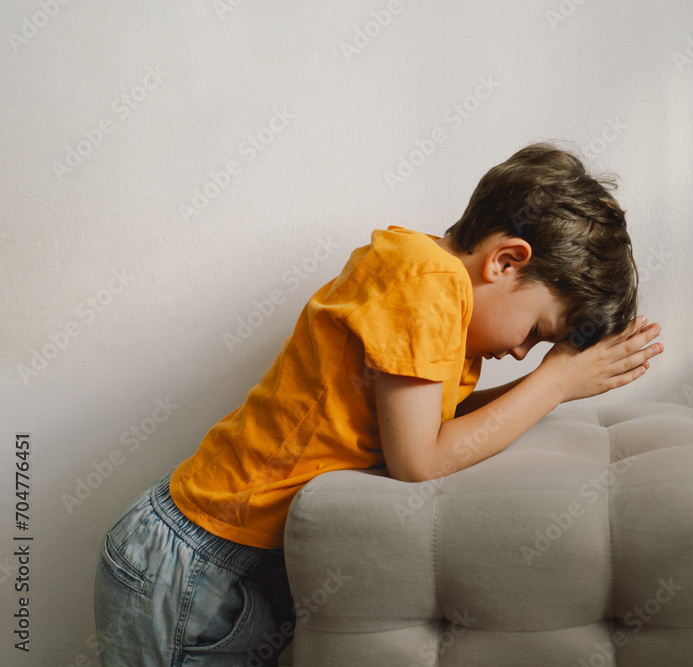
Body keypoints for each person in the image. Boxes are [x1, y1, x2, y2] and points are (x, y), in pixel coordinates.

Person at [93, 142, 662, 665]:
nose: (521, 353)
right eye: (536, 330)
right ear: (506, 261)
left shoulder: (435, 292)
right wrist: (555, 382)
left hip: (230, 560)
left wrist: (554, 380)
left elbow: (436, 428)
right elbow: (419, 461)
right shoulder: (428, 282)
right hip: (190, 557)